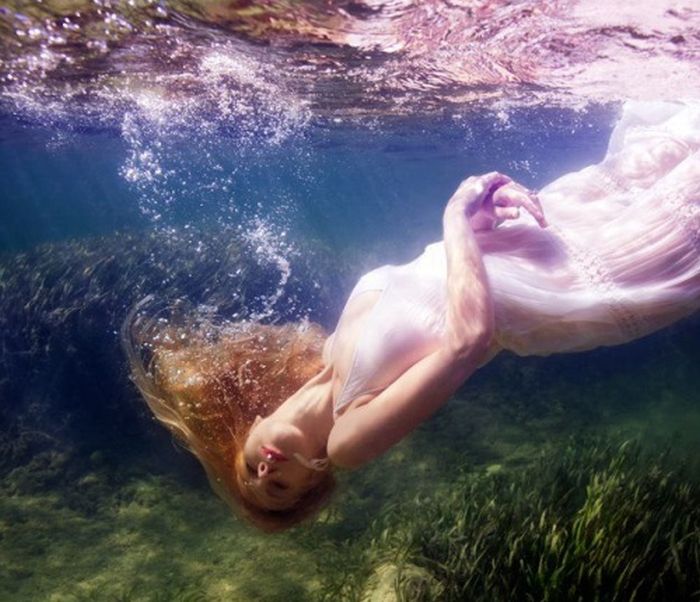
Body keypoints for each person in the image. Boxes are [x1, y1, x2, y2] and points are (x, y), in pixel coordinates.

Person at [123, 101, 699, 531]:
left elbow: (435, 280)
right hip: (583, 278)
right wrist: (455, 211)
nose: (264, 475)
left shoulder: (329, 355)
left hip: (549, 236)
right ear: (314, 478)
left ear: (245, 435)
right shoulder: (348, 439)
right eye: (279, 491)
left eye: (249, 473)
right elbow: (468, 341)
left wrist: (479, 225)